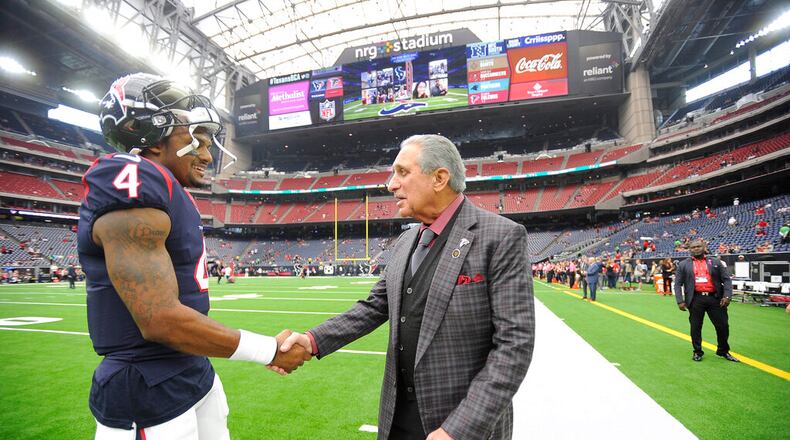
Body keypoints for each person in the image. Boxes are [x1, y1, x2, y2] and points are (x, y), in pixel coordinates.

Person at [80, 73, 310, 439]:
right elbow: (160, 320)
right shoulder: (132, 186)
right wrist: (268, 350)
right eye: (195, 140)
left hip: (189, 368)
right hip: (148, 384)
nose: (207, 154)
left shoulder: (168, 190)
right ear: (150, 136)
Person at [279, 135, 534, 440]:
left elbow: (514, 346)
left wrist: (458, 430)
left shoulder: (500, 237)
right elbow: (375, 306)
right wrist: (312, 340)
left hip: (461, 424)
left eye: (402, 172)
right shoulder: (406, 241)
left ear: (440, 178)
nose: (391, 184)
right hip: (398, 419)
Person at [674, 239, 740, 363]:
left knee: (723, 326)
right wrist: (679, 300)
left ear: (704, 247)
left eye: (698, 246)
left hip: (715, 298)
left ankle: (723, 351)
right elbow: (677, 284)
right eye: (693, 247)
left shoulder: (716, 262)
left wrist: (727, 296)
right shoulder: (683, 265)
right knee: (695, 327)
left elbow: (726, 280)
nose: (696, 249)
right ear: (690, 250)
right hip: (695, 299)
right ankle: (697, 351)